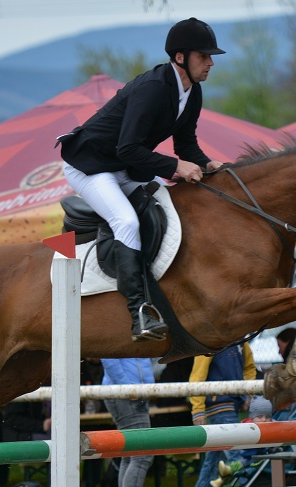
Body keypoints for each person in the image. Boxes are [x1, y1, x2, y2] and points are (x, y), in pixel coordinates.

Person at [56, 17, 225, 342]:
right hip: (89, 166)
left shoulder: (192, 92)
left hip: (123, 166)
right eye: (204, 56)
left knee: (171, 209)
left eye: (210, 56)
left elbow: (186, 143)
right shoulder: (152, 89)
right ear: (181, 57)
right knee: (126, 222)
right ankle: (139, 313)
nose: (210, 62)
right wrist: (177, 167)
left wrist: (207, 163)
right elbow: (129, 148)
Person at [100, 356, 158, 487]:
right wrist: (126, 387)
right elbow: (108, 358)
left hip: (134, 391)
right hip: (126, 393)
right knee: (142, 455)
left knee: (131, 455)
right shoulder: (117, 328)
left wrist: (147, 387)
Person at [189, 342, 256, 487]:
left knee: (214, 458)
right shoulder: (210, 341)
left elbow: (249, 367)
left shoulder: (241, 341)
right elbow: (197, 376)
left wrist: (247, 393)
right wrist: (198, 408)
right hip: (219, 405)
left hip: (229, 405)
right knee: (237, 455)